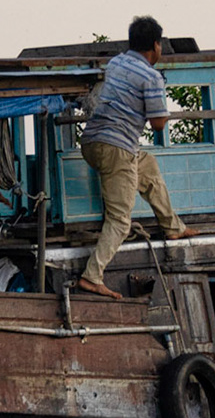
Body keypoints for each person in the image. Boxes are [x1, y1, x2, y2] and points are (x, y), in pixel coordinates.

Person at [77, 16, 196, 299]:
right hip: (115, 148)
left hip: (93, 142)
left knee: (147, 165)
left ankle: (173, 227)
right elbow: (158, 124)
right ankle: (92, 276)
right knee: (120, 220)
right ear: (155, 45)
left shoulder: (117, 62)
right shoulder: (151, 76)